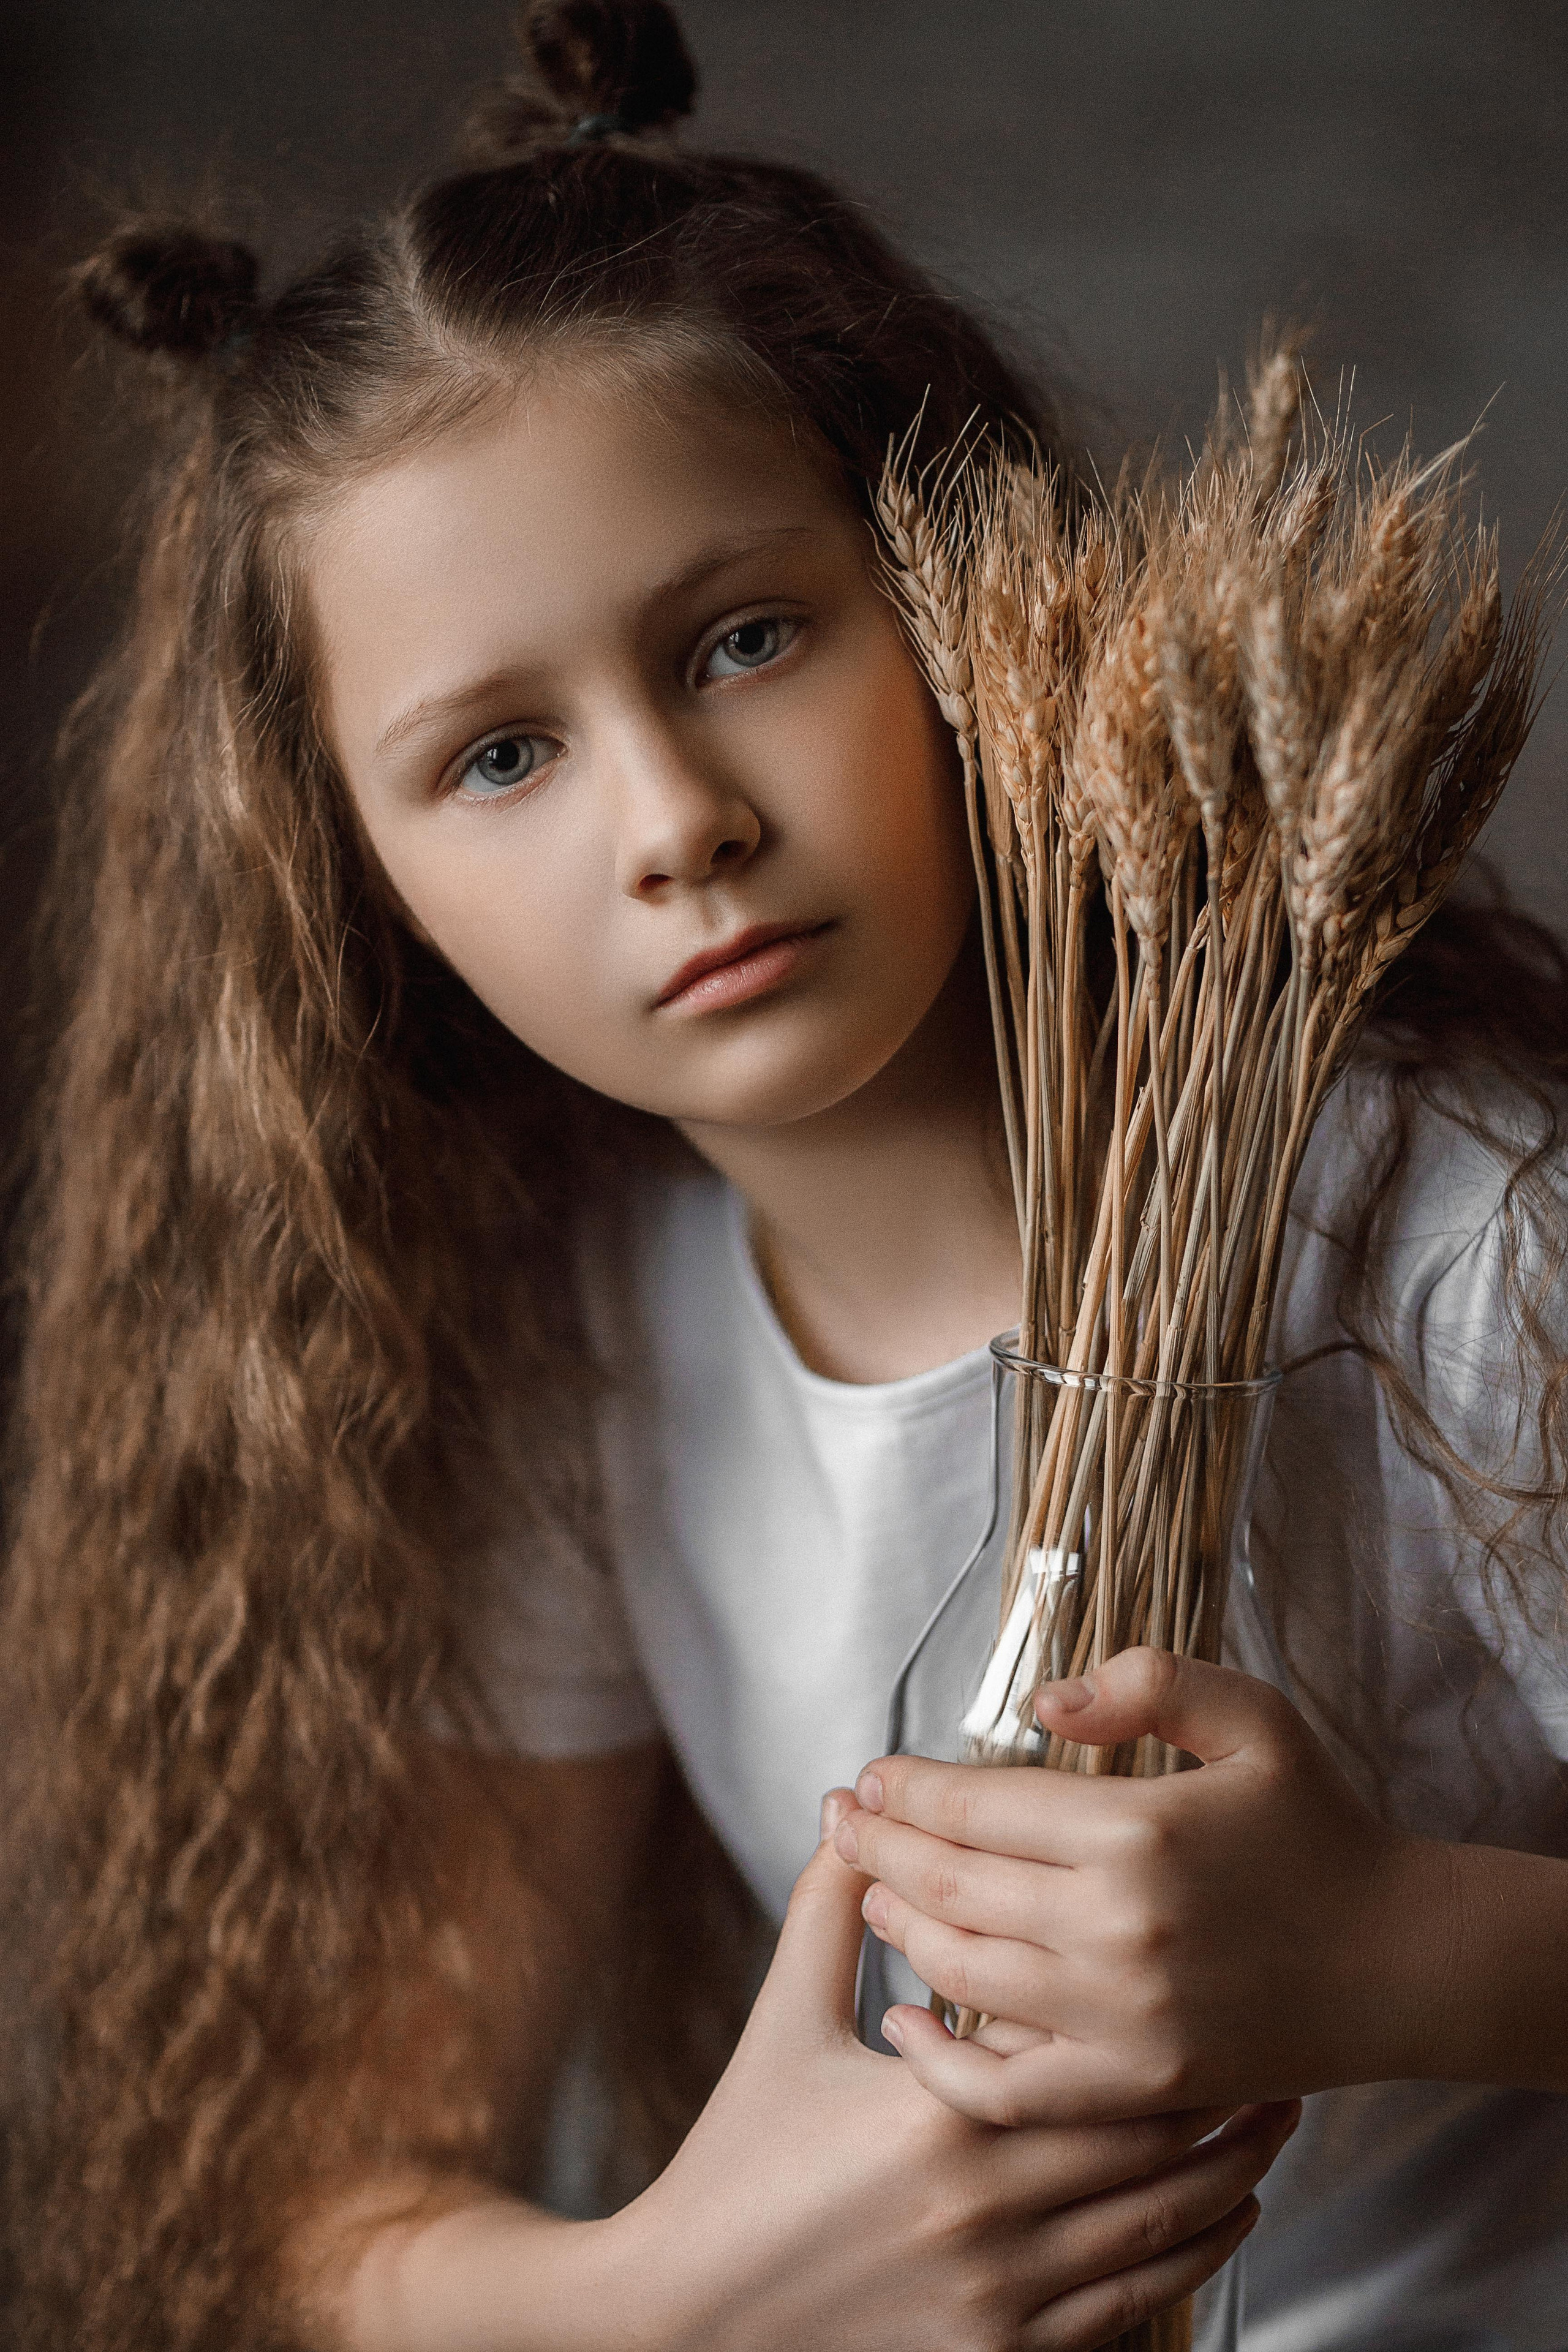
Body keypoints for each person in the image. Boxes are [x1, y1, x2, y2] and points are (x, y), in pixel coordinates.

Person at [2, 3, 1563, 2348]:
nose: (675, 823)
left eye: (742, 638)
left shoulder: (1464, 1235)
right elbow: (321, 2217)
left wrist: (1391, 1959)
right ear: (357, 888)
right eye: (501, 753)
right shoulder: (583, 1332)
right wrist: (669, 2295)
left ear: (964, 616)